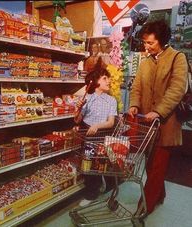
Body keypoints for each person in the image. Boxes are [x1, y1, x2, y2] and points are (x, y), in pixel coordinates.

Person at [128, 20, 188, 215]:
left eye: (150, 43)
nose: (146, 47)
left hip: (167, 123)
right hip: (146, 123)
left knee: (157, 165)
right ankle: (159, 194)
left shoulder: (177, 58)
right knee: (149, 163)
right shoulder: (145, 62)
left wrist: (159, 111)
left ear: (161, 40)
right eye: (145, 42)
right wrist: (134, 105)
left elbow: (177, 88)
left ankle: (145, 206)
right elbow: (136, 87)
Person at [74, 57, 118, 207]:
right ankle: (92, 193)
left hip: (103, 136)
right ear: (96, 81)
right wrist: (79, 109)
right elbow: (77, 120)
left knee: (102, 164)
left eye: (109, 78)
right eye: (105, 78)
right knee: (88, 166)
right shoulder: (88, 98)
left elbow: (111, 122)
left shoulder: (112, 100)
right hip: (88, 136)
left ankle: (104, 185)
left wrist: (97, 126)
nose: (109, 81)